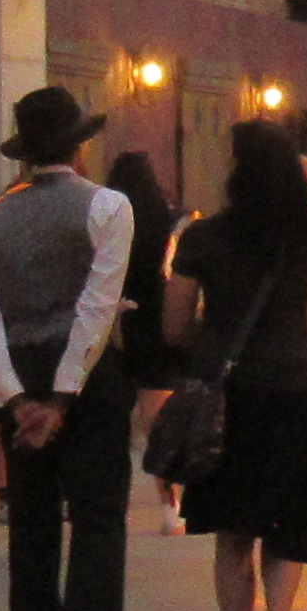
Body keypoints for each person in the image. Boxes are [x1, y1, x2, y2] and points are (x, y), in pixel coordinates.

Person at [0, 87, 131, 611]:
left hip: (21, 373)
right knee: (99, 517)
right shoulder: (108, 207)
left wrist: (16, 399)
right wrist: (63, 395)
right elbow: (97, 307)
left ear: (25, 153)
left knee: (32, 522)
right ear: (79, 147)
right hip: (90, 381)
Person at [163, 121, 307, 611]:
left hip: (227, 396)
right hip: (291, 388)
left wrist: (213, 347)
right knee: (285, 524)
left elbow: (174, 325)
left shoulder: (203, 238)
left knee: (233, 534)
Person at [101, 148, 182, 522]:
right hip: (156, 317)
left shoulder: (108, 219)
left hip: (114, 317)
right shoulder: (167, 221)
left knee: (111, 411)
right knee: (157, 414)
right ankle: (170, 500)